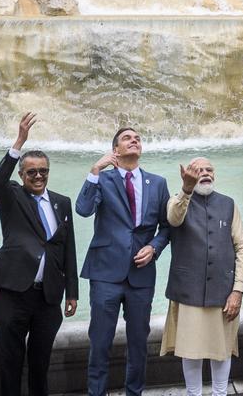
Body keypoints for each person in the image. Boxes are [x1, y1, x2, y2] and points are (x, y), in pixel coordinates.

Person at [0, 113, 79, 396]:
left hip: (48, 296)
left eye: (43, 171)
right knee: (10, 363)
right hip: (12, 294)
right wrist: (19, 142)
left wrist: (72, 293)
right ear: (21, 175)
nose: (38, 176)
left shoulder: (62, 203)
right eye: (31, 172)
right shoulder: (12, 195)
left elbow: (69, 250)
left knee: (41, 364)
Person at [77, 125, 172, 396]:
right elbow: (83, 210)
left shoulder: (158, 183)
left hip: (141, 274)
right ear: (115, 150)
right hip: (105, 272)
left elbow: (166, 227)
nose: (134, 141)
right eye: (127, 138)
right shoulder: (102, 180)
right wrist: (95, 171)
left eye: (137, 138)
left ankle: (135, 393)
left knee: (139, 343)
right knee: (100, 342)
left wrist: (154, 248)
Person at [161, 158, 243, 396]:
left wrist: (238, 290)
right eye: (198, 170)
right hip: (188, 291)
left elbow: (242, 248)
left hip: (224, 292)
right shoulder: (177, 200)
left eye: (209, 169)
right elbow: (174, 218)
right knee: (190, 350)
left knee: (222, 350)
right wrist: (186, 189)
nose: (204, 173)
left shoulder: (229, 204)